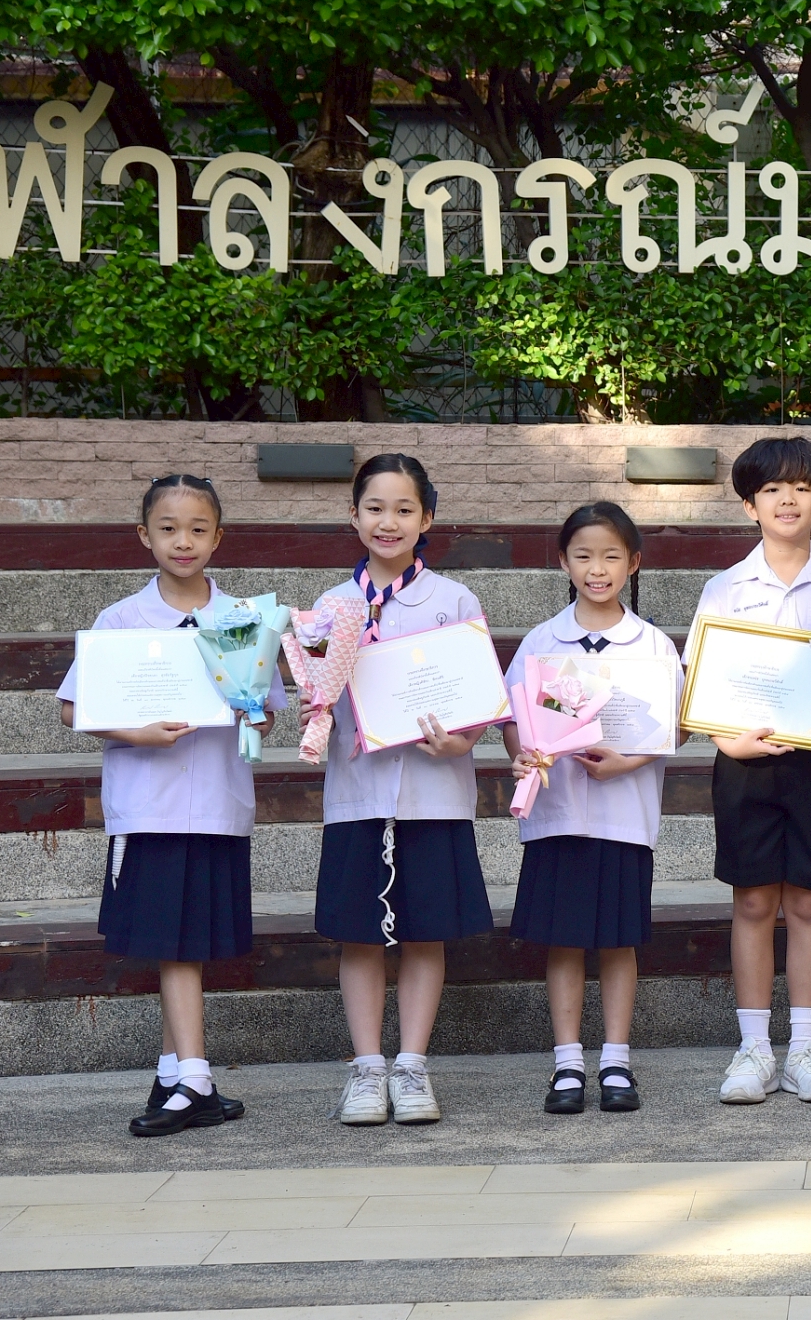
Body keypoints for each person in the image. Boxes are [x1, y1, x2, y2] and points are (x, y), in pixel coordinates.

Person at [58, 474, 284, 1136]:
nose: (183, 541)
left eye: (197, 529)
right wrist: (135, 732)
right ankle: (196, 1082)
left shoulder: (243, 618)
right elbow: (72, 707)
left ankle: (173, 1073)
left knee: (186, 942)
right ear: (144, 535)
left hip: (216, 803)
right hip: (148, 807)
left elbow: (267, 711)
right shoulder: (121, 621)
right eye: (168, 528)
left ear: (218, 537)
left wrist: (255, 715)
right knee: (175, 945)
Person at [691, 436, 811, 1106]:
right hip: (744, 763)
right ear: (750, 505)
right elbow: (701, 686)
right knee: (752, 902)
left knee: (808, 901)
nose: (787, 499)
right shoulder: (725, 587)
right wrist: (729, 742)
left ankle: (804, 1047)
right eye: (772, 489)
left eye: (802, 488)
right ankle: (754, 1049)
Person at [308, 454, 492, 1127]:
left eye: (404, 509)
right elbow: (315, 695)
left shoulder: (452, 600)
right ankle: (367, 1069)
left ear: (427, 518)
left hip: (432, 793)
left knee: (425, 933)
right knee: (358, 936)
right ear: (353, 516)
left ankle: (412, 1066)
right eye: (375, 508)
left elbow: (477, 695)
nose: (389, 522)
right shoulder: (331, 607)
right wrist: (311, 697)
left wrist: (462, 741)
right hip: (357, 793)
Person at [503, 502, 679, 1114]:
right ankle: (568, 1063)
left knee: (619, 940)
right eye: (583, 556)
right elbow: (514, 718)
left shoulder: (652, 644)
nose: (596, 569)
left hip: (624, 816)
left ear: (634, 563)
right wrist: (523, 754)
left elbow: (672, 726)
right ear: (563, 562)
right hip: (558, 815)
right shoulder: (541, 642)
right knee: (564, 940)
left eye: (610, 556)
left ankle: (617, 1060)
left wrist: (627, 762)